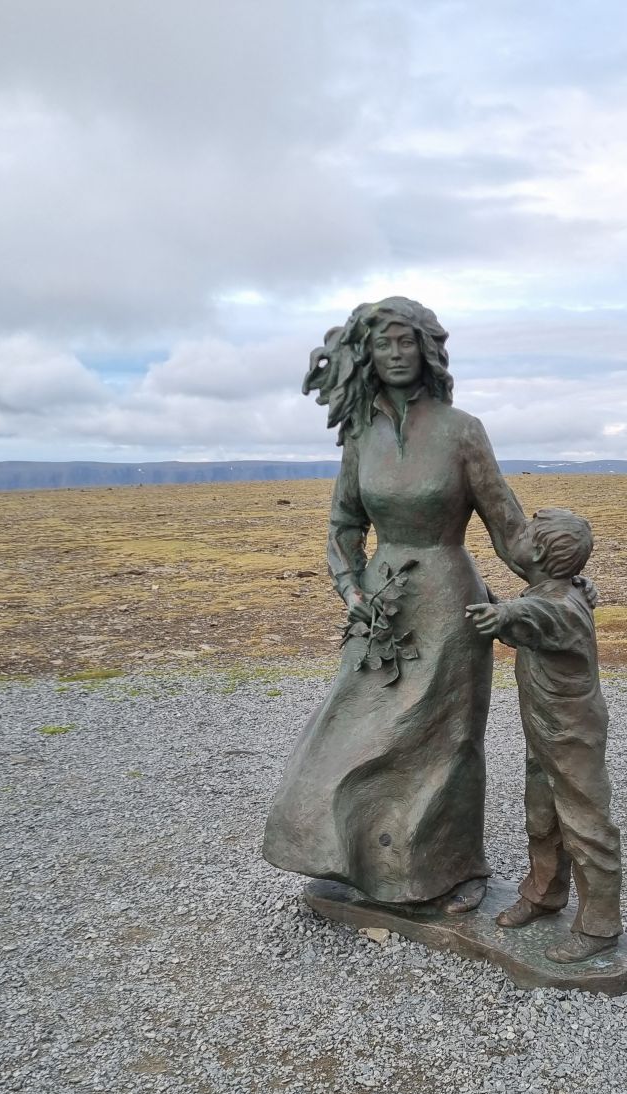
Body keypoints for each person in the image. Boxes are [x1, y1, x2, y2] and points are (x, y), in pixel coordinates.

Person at [262, 298, 531, 913]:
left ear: (427, 350)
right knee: (353, 731)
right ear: (368, 356)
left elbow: (509, 529)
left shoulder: (463, 430)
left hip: (449, 599)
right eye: (383, 345)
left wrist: (561, 578)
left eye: (406, 342)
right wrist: (352, 590)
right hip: (382, 605)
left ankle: (450, 872)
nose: (396, 355)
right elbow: (343, 525)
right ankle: (358, 864)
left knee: (445, 741)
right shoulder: (360, 434)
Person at [465, 508, 624, 964]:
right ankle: (544, 893)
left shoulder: (553, 606)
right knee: (542, 815)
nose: (517, 536)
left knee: (586, 825)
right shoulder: (559, 590)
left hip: (573, 736)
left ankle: (600, 926)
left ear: (535, 551)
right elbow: (524, 624)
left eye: (525, 533)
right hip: (546, 732)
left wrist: (489, 606)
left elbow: (524, 617)